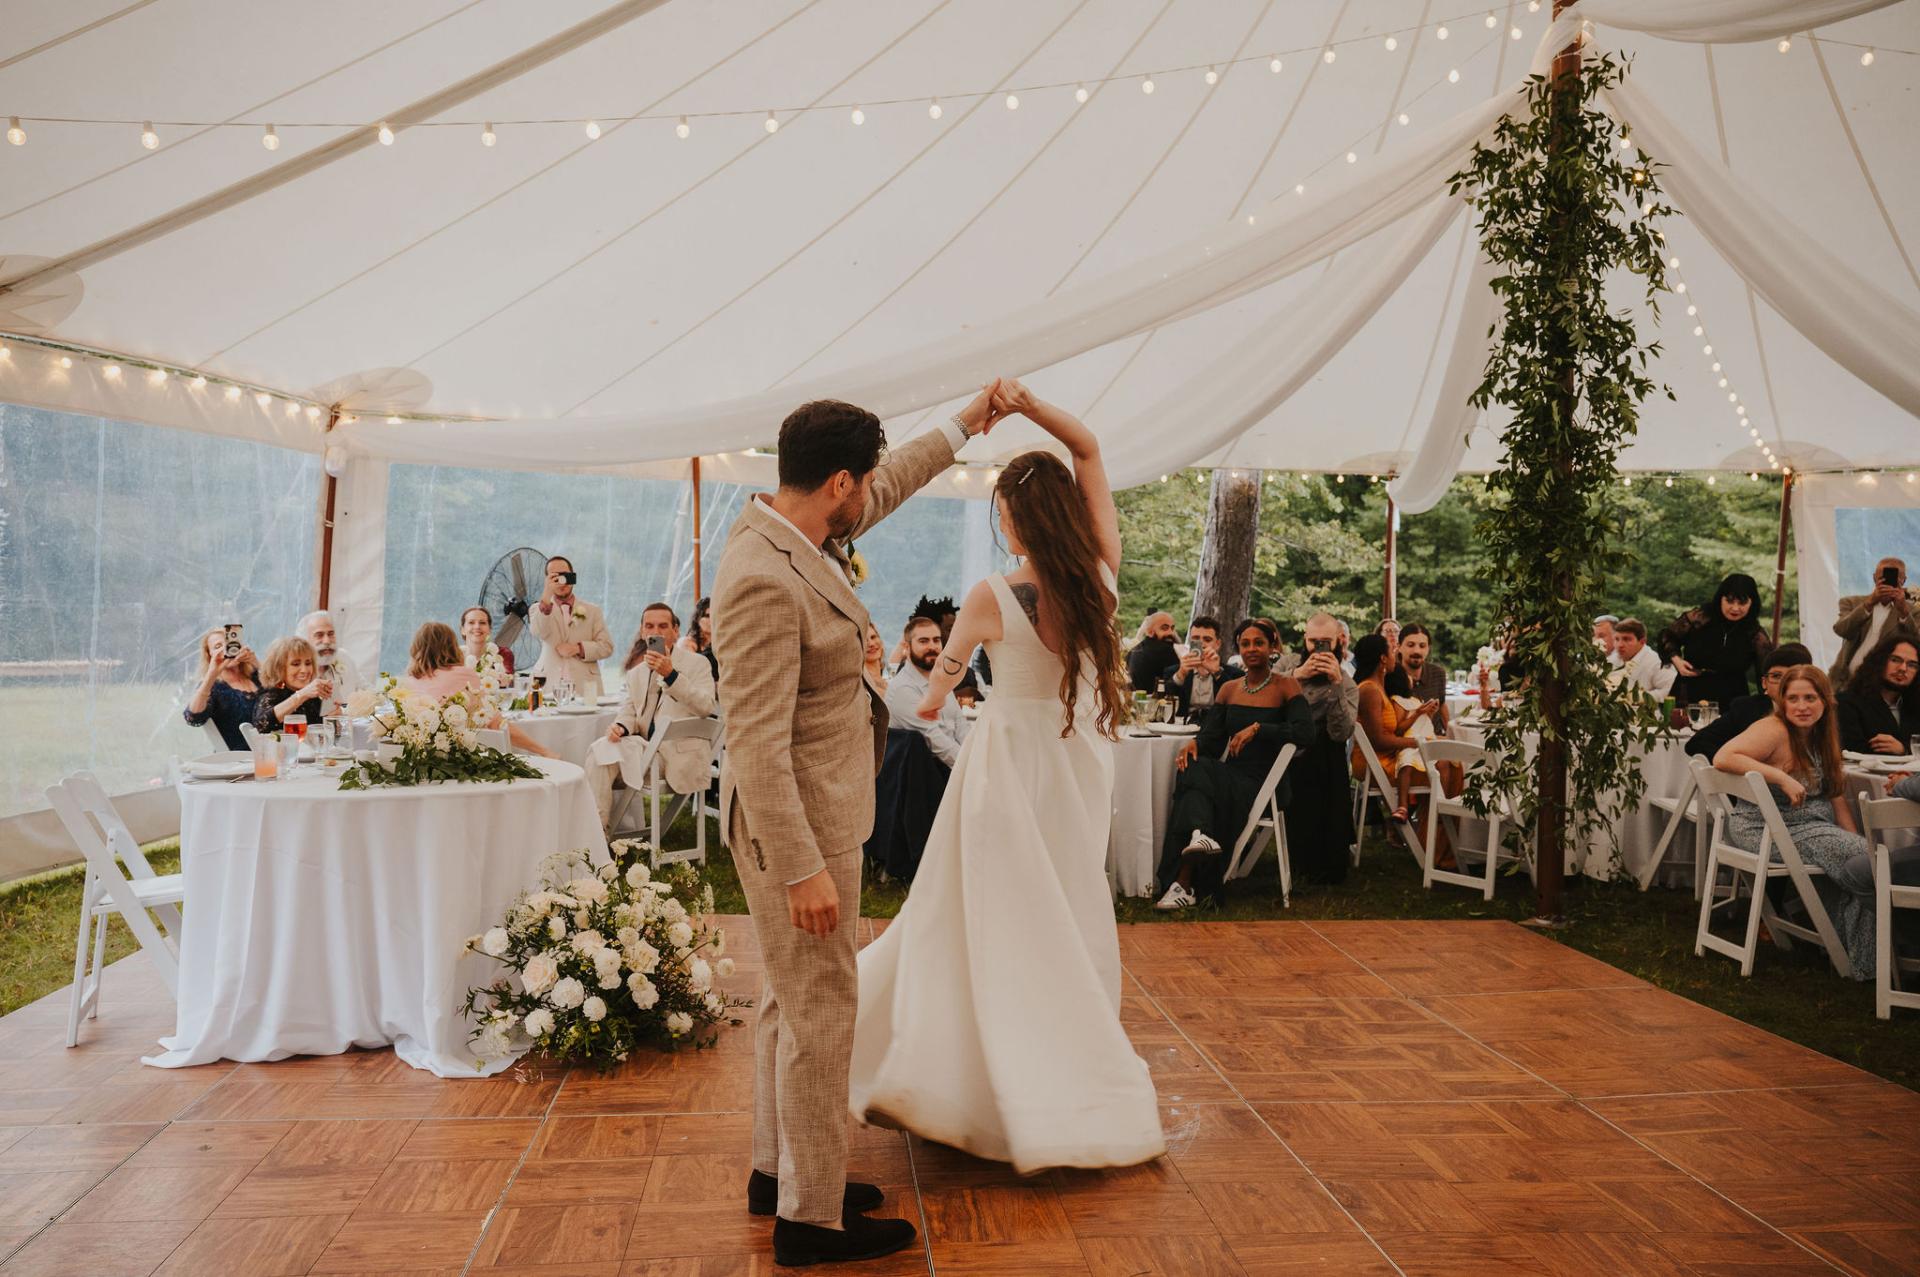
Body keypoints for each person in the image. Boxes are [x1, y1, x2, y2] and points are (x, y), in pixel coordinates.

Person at [850, 377, 1164, 1181]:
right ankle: (1070, 1063)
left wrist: (895, 676)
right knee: (1067, 904)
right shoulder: (1102, 575)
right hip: (1079, 764)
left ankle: (971, 1079)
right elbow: (1088, 447)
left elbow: (928, 702)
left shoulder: (991, 595)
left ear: (1015, 519)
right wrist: (1030, 411)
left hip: (1007, 768)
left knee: (984, 916)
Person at [712, 390, 995, 1267]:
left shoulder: (802, 530)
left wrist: (968, 421)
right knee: (823, 1011)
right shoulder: (764, 574)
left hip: (817, 809)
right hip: (795, 825)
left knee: (786, 1004)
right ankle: (810, 1218)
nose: (870, 497)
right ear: (837, 480)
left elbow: (897, 478)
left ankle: (781, 1171)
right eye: (861, 485)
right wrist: (802, 869)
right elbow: (755, 744)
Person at [1712, 666, 1879, 979]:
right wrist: (1780, 777)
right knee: (1870, 866)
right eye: (1793, 698)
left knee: (1867, 859)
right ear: (1782, 703)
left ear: (1825, 701)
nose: (1802, 706)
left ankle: (1857, 952)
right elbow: (1723, 756)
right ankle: (1867, 962)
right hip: (1766, 829)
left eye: (1810, 698)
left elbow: (1836, 796)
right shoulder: (1773, 729)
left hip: (1810, 829)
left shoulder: (1820, 735)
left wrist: (1857, 840)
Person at [1153, 620, 1312, 911]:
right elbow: (1212, 738)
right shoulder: (1228, 688)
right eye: (1245, 644)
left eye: (1258, 643)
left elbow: (1305, 733)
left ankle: (1182, 881)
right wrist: (1196, 744)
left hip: (1265, 782)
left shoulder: (1286, 685)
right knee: (1193, 763)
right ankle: (1198, 843)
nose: (1252, 649)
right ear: (1238, 648)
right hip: (1233, 774)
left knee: (1195, 779)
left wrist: (1258, 729)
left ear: (1272, 647)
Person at [592, 603, 717, 825]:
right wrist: (621, 726)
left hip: (678, 757)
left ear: (675, 630)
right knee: (600, 753)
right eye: (649, 626)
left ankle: (596, 838)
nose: (655, 632)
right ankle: (597, 833)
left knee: (601, 755)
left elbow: (706, 706)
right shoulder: (636, 673)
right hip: (644, 751)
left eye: (662, 626)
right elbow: (629, 709)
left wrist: (670, 676)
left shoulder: (698, 663)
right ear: (642, 632)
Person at [401, 622, 553, 757]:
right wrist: (543, 751)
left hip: (419, 758)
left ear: (417, 648)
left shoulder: (408, 682)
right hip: (462, 758)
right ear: (452, 646)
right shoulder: (464, 675)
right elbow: (495, 722)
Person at [1352, 634, 1448, 847]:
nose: (1395, 655)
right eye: (1391, 651)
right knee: (1446, 765)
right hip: (1376, 763)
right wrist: (1418, 743)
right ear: (1383, 659)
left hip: (1386, 757)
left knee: (1447, 756)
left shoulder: (1378, 688)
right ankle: (1438, 843)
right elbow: (1379, 741)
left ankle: (1434, 838)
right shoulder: (1369, 690)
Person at [1284, 612, 1359, 884]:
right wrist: (1298, 676)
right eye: (1313, 642)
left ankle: (1325, 859)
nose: (1318, 648)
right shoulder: (1288, 665)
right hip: (1281, 746)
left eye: (1325, 642)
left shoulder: (1347, 683)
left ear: (1339, 641)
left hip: (1321, 756)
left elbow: (1342, 733)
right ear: (1305, 640)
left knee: (1327, 752)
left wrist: (1336, 685)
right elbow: (1263, 697)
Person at [1658, 573, 1773, 708]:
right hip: (1689, 690)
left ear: (1752, 603)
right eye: (1729, 601)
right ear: (1720, 599)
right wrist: (1676, 659)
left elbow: (1767, 673)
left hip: (1732, 697)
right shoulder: (1700, 618)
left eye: (1742, 603)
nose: (1735, 608)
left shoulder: (1755, 634)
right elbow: (1667, 635)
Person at [1685, 643, 1811, 760]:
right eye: (1776, 676)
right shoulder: (1747, 708)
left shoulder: (1817, 711)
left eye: (1791, 677)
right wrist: (1743, 763)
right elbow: (1697, 743)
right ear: (1764, 683)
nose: (1784, 684)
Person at [882, 616, 969, 768]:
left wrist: (976, 753)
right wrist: (973, 769)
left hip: (951, 766)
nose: (932, 646)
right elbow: (936, 743)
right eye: (923, 641)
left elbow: (960, 724)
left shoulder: (941, 680)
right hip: (926, 775)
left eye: (936, 640)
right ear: (907, 647)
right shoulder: (903, 688)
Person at [530, 555, 614, 699]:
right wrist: (546, 596)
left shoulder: (593, 610)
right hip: (548, 684)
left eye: (565, 575)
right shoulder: (537, 609)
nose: (561, 581)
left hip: (585, 686)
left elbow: (606, 647)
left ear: (573, 576)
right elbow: (539, 632)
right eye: (555, 577)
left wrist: (578, 648)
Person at [1831, 557, 1918, 691]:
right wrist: (1869, 603)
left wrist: (1903, 612)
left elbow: (1916, 642)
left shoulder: (1912, 611)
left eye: (1894, 578)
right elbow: (1842, 630)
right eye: (1881, 577)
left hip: (1883, 685)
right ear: (1874, 578)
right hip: (1845, 682)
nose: (1886, 582)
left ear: (1903, 580)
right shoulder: (1851, 602)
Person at [1836, 632, 1920, 755]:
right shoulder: (1847, 703)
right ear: (1880, 661)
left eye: (1912, 665)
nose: (1903, 668)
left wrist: (1904, 749)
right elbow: (1849, 749)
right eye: (1895, 660)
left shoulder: (1915, 705)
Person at [183, 626, 262, 750]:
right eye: (218, 646)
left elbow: (282, 696)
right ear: (210, 656)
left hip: (270, 754)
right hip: (234, 761)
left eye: (229, 643)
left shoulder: (256, 677)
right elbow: (193, 717)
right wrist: (211, 674)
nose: (225, 649)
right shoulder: (213, 686)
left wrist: (256, 662)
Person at [251, 636, 330, 734]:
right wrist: (301, 695)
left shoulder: (312, 697)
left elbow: (324, 735)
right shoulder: (272, 693)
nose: (304, 670)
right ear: (279, 668)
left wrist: (333, 716)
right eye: (296, 664)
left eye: (308, 663)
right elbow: (262, 724)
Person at [1169, 615, 1239, 717]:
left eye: (1207, 639)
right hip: (1182, 727)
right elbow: (1164, 700)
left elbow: (1236, 701)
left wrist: (1217, 673)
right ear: (1190, 642)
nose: (1201, 644)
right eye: (1196, 638)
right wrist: (1181, 675)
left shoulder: (1234, 674)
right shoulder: (1174, 671)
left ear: (1217, 644)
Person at [298, 610, 365, 712]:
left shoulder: (343, 657)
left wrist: (344, 712)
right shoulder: (296, 670)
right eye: (319, 635)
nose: (327, 641)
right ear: (305, 641)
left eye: (331, 634)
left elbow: (368, 693)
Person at [1397, 624, 1448, 734]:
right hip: (1407, 743)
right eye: (1410, 645)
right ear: (1399, 647)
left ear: (1428, 649)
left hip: (1437, 739)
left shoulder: (1438, 673)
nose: (1417, 651)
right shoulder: (1392, 676)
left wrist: (1451, 736)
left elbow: (1442, 706)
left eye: (1422, 646)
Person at [1608, 618, 1665, 695]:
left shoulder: (1657, 662)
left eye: (1626, 639)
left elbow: (1668, 691)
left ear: (1642, 641)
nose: (1620, 645)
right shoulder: (1611, 660)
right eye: (1617, 639)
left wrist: (1636, 698)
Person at [1126, 611, 1178, 691]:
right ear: (1150, 632)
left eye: (1172, 628)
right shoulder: (1167, 650)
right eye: (1164, 628)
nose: (1171, 633)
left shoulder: (1133, 651)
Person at [460, 605, 514, 680]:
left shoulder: (502, 654)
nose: (477, 627)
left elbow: (507, 680)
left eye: (482, 623)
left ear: (489, 629)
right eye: (471, 622)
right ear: (462, 630)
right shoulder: (452, 656)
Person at [682, 596, 719, 685]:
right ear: (698, 619)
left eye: (714, 615)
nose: (711, 619)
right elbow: (690, 671)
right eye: (707, 616)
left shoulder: (722, 640)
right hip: (699, 686)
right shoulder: (689, 642)